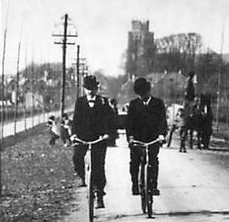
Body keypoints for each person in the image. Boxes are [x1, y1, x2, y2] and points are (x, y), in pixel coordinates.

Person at [70, 75, 117, 208]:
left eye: (92, 89)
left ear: (97, 89)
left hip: (99, 138)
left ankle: (100, 194)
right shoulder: (80, 102)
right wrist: (73, 134)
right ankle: (83, 177)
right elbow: (76, 120)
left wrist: (108, 134)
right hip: (82, 137)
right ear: (84, 89)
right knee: (76, 157)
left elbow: (111, 120)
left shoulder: (103, 102)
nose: (90, 91)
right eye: (87, 89)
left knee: (98, 166)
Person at [125, 77, 168, 196]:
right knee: (134, 162)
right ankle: (135, 184)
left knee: (153, 161)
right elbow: (129, 123)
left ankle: (153, 185)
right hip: (137, 139)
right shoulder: (133, 105)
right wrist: (130, 137)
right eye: (139, 94)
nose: (142, 96)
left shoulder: (158, 104)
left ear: (148, 91)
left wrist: (162, 135)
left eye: (144, 93)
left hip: (153, 138)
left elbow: (162, 121)